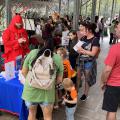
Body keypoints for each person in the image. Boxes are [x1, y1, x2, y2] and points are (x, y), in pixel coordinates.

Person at [21, 42, 64, 120]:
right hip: (47, 93)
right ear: (54, 48)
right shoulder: (57, 58)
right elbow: (59, 80)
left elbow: (24, 72)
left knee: (31, 114)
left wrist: (33, 81)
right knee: (47, 117)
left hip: (30, 91)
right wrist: (48, 83)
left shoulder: (33, 52)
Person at [101, 22, 120, 120]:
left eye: (117, 27)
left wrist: (103, 82)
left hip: (114, 85)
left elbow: (107, 70)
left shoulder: (115, 48)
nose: (115, 29)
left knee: (111, 111)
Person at [77, 22, 100, 100]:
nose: (83, 30)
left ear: (89, 30)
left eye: (85, 29)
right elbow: (77, 48)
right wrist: (79, 50)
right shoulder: (83, 38)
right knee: (78, 76)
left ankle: (85, 94)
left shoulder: (95, 40)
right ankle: (76, 91)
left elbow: (93, 53)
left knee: (87, 79)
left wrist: (83, 50)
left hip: (89, 62)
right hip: (81, 61)